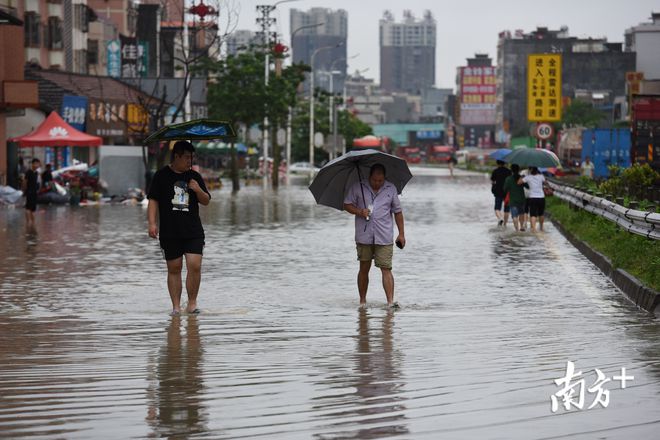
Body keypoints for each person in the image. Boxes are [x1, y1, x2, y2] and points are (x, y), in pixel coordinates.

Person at [147, 141, 211, 315]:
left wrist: (197, 190)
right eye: (187, 157)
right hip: (170, 231)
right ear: (177, 156)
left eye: (192, 157)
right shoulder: (161, 176)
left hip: (193, 230)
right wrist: (152, 223)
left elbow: (206, 201)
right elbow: (153, 200)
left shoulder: (194, 177)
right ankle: (176, 307)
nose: (190, 161)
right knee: (174, 268)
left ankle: (192, 304)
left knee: (194, 265)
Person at [343, 163, 405, 309]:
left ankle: (390, 302)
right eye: (374, 180)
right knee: (364, 268)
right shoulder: (358, 187)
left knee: (386, 268)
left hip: (384, 236)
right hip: (364, 236)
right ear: (370, 177)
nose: (377, 183)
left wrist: (401, 234)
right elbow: (347, 204)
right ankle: (362, 302)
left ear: (384, 178)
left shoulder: (391, 189)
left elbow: (398, 212)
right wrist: (359, 211)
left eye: (380, 180)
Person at [519, 166, 546, 232]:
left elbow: (519, 182)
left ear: (531, 171)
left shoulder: (528, 177)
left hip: (533, 197)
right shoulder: (541, 176)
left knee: (533, 214)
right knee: (541, 213)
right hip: (541, 197)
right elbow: (546, 183)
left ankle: (534, 229)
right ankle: (541, 227)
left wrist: (522, 177)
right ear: (537, 171)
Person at [502, 164, 526, 231]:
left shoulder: (508, 179)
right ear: (518, 170)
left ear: (511, 170)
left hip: (513, 200)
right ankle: (521, 226)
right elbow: (527, 186)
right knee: (521, 213)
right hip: (521, 199)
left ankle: (517, 230)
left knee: (514, 216)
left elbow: (505, 189)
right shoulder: (521, 178)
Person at [490, 160, 511, 227]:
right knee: (507, 209)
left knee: (497, 208)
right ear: (504, 163)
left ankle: (500, 218)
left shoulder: (495, 171)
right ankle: (505, 224)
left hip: (498, 191)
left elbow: (493, 181)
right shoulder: (509, 171)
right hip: (507, 191)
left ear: (497, 163)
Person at [22, 158, 40, 228]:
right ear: (32, 164)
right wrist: (24, 190)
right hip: (29, 192)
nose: (37, 165)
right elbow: (24, 182)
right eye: (35, 163)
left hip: (34, 192)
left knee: (33, 208)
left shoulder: (36, 173)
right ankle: (28, 223)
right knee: (28, 207)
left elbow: (37, 182)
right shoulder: (28, 172)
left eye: (38, 163)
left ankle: (32, 223)